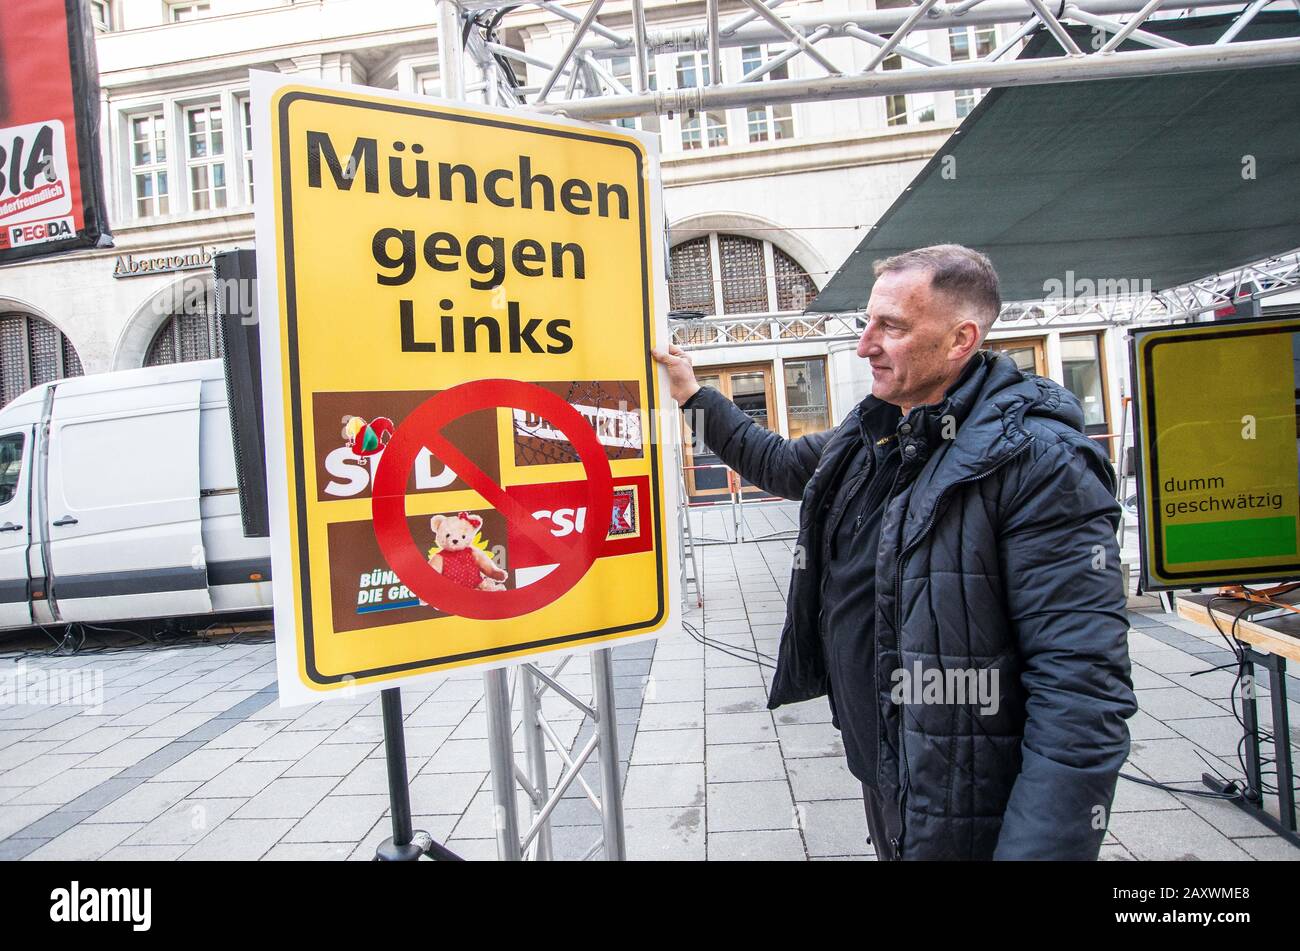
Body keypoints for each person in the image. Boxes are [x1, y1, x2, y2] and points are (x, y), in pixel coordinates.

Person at [652, 244, 1136, 860]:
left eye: (893, 328)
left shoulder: (1039, 462)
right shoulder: (876, 427)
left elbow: (1081, 689)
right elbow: (776, 462)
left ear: (962, 339)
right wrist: (692, 396)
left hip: (966, 792)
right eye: (867, 323)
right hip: (886, 762)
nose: (864, 346)